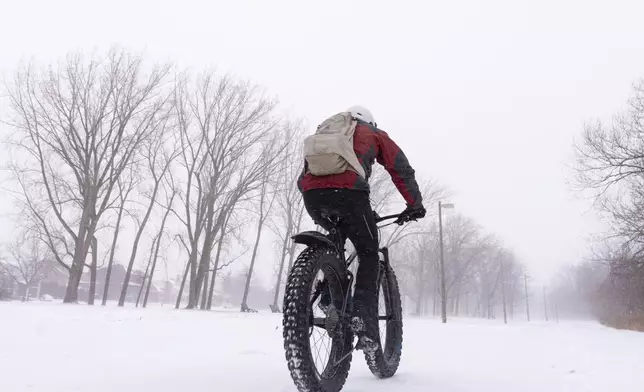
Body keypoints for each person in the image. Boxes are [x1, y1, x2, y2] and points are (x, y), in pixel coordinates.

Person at [298, 105, 426, 352]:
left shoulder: (326, 133)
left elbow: (304, 177)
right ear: (369, 122)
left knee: (337, 239)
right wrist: (414, 204)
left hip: (313, 197)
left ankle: (328, 297)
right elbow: (400, 168)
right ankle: (363, 320)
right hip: (350, 196)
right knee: (368, 252)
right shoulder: (373, 133)